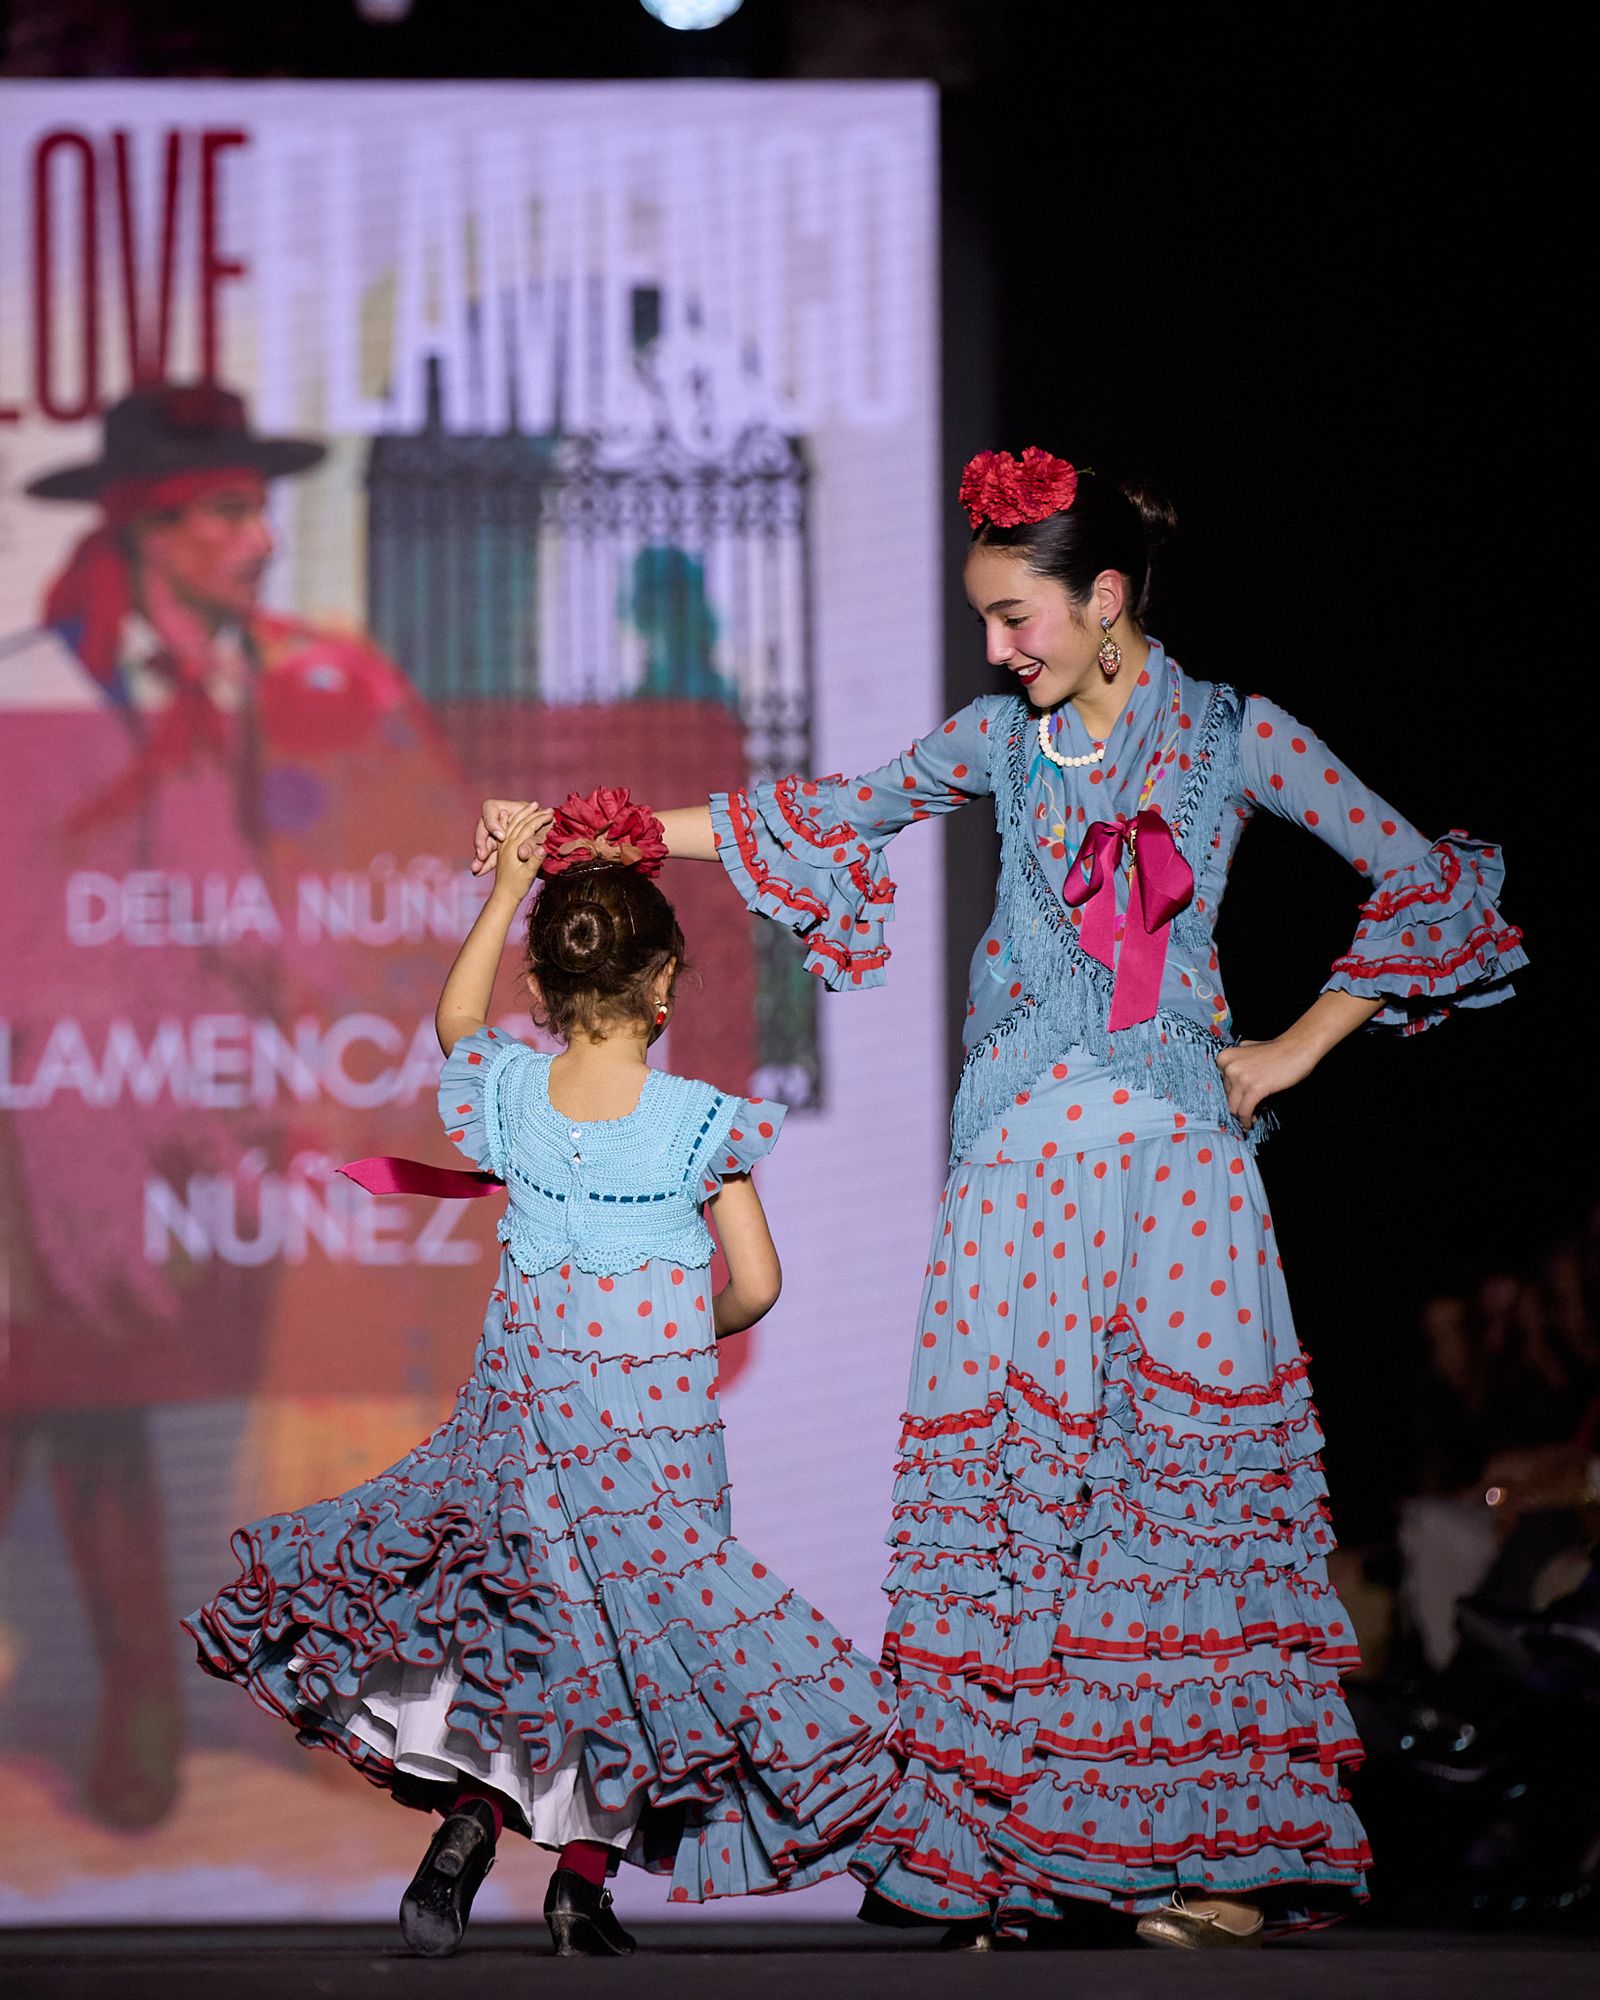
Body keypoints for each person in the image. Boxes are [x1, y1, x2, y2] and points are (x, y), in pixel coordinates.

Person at [474, 447, 1525, 1948]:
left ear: (1104, 601)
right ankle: (1015, 1853)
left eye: (1014, 617)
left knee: (1175, 1510)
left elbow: (1426, 881)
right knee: (1016, 1513)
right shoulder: (997, 743)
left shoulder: (1237, 738)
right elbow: (831, 812)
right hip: (1019, 1183)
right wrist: (619, 837)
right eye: (984, 621)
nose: (996, 648)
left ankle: (1209, 1861)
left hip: (1172, 1182)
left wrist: (1289, 1046)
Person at [185, 787, 899, 1957]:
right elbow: (759, 1285)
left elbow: (454, 1016)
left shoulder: (511, 1090)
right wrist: (677, 1324)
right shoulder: (697, 1122)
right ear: (664, 986)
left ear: (543, 995)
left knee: (519, 1639)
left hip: (525, 1434)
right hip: (653, 1443)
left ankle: (467, 1826)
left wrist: (507, 884)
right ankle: (579, 1885)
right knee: (631, 1656)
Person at [0, 381, 470, 1831]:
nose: (257, 539)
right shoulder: (44, 681)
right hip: (51, 1107)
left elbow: (277, 899)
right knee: (52, 1400)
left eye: (259, 509)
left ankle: (204, 1693)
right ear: (148, 526)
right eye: (225, 512)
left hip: (210, 1109)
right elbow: (34, 930)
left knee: (149, 1406)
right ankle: (144, 1698)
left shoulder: (270, 687)